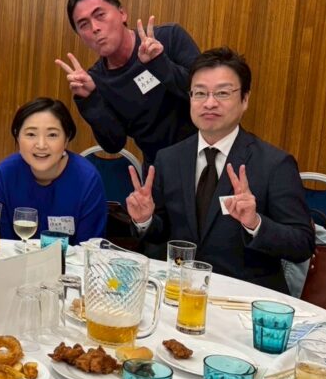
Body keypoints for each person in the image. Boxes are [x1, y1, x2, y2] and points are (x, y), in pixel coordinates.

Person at [125, 47, 314, 293]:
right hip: (180, 293)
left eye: (223, 93)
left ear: (245, 99)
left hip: (243, 298)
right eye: (200, 93)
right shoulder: (168, 158)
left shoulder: (274, 164)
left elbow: (302, 244)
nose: (210, 103)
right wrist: (145, 220)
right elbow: (160, 234)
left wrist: (255, 223)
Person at [54, 0, 200, 167]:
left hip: (207, 153)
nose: (95, 28)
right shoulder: (95, 81)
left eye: (100, 15)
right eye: (84, 25)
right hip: (159, 168)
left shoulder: (168, 38)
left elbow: (203, 93)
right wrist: (90, 100)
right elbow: (113, 144)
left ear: (122, 13)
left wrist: (159, 63)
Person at [0, 97, 107, 244]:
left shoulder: (87, 180)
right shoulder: (3, 176)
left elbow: (89, 248)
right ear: (17, 136)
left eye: (52, 135)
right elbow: (0, 244)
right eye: (31, 134)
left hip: (69, 259)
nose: (41, 145)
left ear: (67, 138)